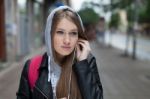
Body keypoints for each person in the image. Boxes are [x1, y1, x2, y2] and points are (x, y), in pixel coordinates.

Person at [16, 6, 103, 99]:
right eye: (60, 32)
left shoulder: (87, 63)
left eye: (73, 33)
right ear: (50, 34)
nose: (67, 40)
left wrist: (82, 65)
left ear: (79, 37)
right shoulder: (32, 67)